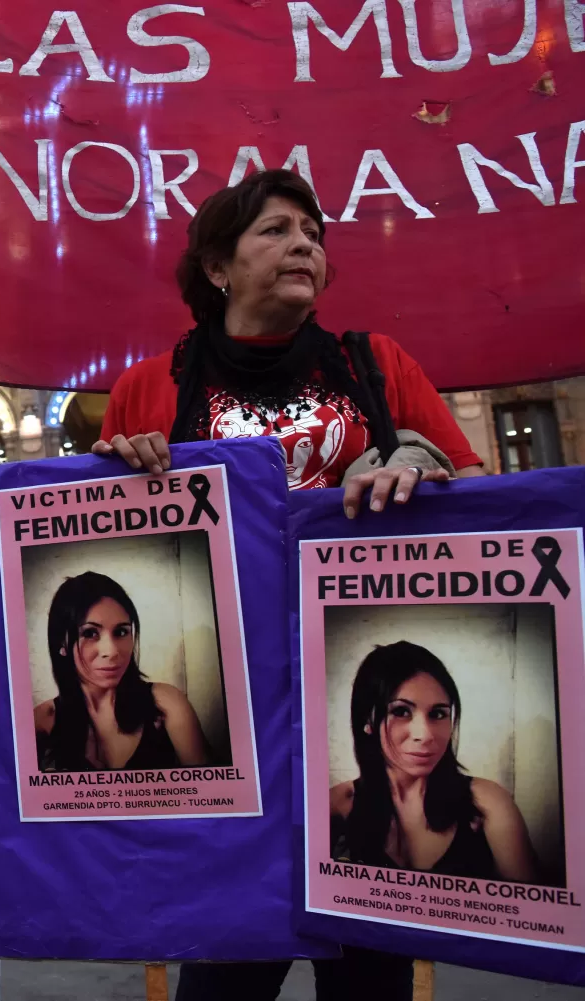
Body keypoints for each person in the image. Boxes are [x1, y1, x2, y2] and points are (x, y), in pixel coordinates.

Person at [89, 169, 484, 1000]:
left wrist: (424, 464)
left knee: (370, 978)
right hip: (239, 735)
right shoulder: (147, 387)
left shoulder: (376, 365)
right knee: (224, 973)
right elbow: (115, 551)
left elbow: (475, 514)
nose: (305, 242)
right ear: (218, 267)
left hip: (352, 716)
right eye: (276, 229)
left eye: (314, 231)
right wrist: (116, 480)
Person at [331, 642, 537, 884]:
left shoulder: (487, 802)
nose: (426, 734)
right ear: (368, 720)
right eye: (400, 712)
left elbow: (532, 909)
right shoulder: (335, 806)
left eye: (438, 714)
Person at [40, 573, 211, 771]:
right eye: (89, 633)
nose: (111, 651)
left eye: (121, 632)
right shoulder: (42, 722)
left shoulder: (166, 704)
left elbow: (210, 792)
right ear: (62, 642)